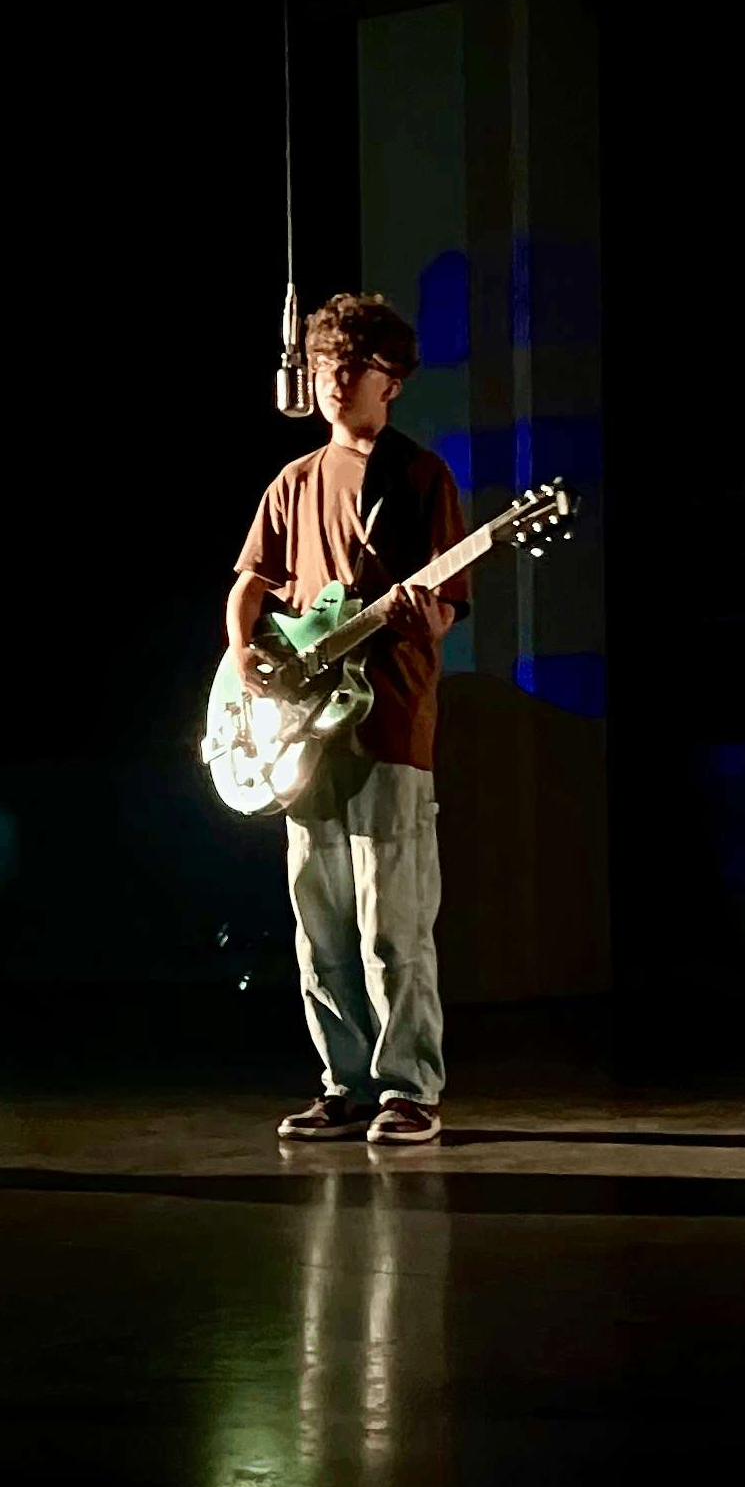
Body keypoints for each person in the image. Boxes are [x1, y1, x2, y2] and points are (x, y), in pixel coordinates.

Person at [227, 296, 472, 1146]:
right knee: (319, 927)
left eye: (353, 366)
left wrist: (422, 617)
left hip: (388, 722)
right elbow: (251, 584)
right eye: (326, 362)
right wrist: (242, 652)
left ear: (391, 381)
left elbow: (446, 606)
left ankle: (410, 1090)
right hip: (303, 736)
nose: (333, 379)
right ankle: (347, 1084)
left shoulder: (421, 476)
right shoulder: (294, 480)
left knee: (393, 926)